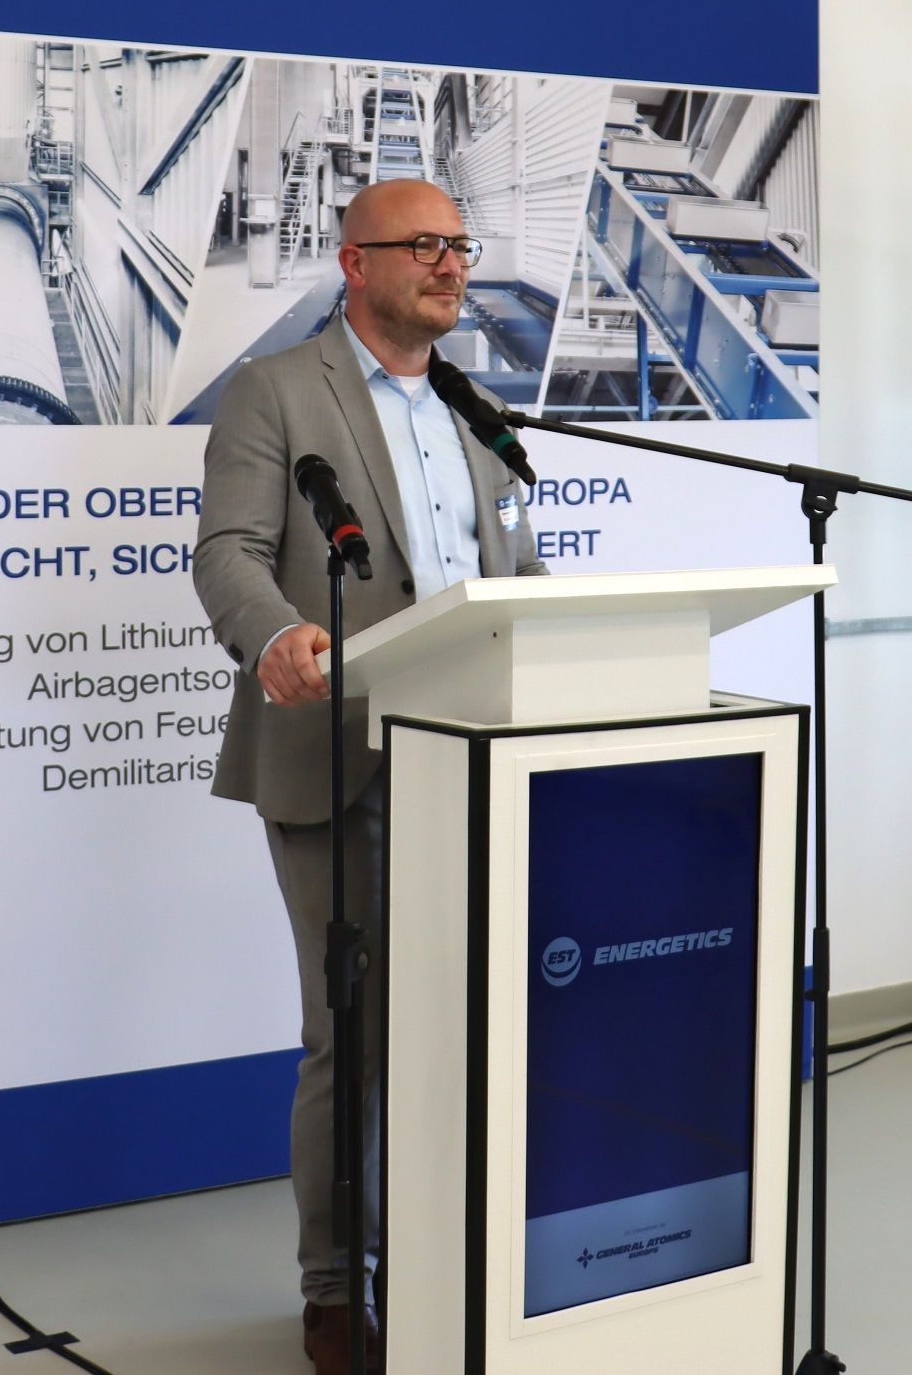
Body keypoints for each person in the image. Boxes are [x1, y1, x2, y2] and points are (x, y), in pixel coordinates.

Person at [192, 178, 547, 1375]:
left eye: (460, 244)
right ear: (355, 262)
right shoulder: (278, 389)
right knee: (355, 1032)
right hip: (341, 752)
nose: (451, 264)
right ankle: (338, 1285)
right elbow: (229, 551)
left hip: (479, 751)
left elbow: (520, 574)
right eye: (424, 244)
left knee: (478, 1018)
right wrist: (276, 633)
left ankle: (455, 1254)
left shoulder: (474, 407)